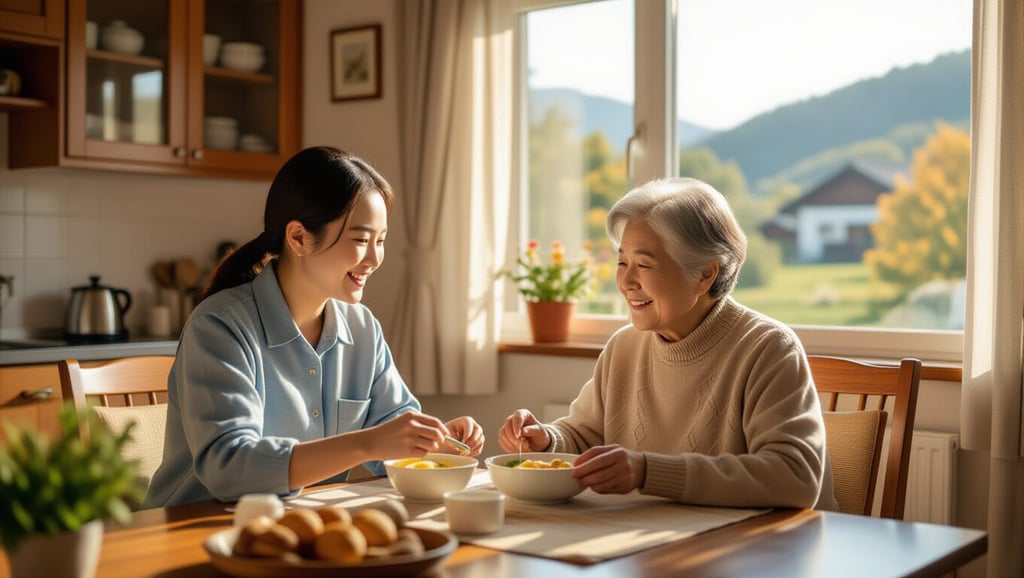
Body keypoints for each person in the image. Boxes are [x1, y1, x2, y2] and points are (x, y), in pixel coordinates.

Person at [145, 146, 485, 508]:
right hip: (187, 531)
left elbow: (392, 428)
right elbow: (229, 468)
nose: (373, 259)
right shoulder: (219, 326)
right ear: (298, 238)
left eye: (381, 241)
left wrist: (434, 441)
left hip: (296, 526)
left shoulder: (362, 327)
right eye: (360, 240)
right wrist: (367, 443)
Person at [498, 177, 837, 510]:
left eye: (644, 264)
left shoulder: (768, 348)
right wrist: (545, 440)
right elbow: (585, 437)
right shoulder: (624, 347)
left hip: (763, 553)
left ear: (706, 274)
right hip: (656, 544)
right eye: (622, 263)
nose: (627, 281)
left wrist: (648, 472)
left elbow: (796, 478)